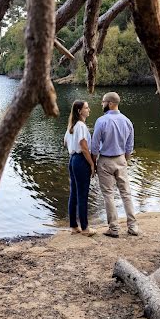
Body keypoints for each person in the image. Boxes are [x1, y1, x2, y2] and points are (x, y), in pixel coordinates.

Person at [91, 91, 139, 238]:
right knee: (126, 194)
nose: (102, 104)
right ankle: (133, 227)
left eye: (104, 101)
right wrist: (125, 160)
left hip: (105, 160)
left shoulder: (101, 121)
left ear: (111, 103)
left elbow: (94, 147)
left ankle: (114, 229)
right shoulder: (127, 121)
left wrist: (93, 163)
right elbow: (130, 146)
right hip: (121, 159)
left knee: (108, 195)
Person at [64, 100, 96, 236]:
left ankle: (73, 226)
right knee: (82, 194)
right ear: (79, 111)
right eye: (86, 108)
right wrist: (91, 163)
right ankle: (85, 228)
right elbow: (83, 146)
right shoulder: (81, 126)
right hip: (80, 160)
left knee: (74, 193)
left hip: (72, 160)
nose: (89, 110)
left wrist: (73, 150)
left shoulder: (72, 125)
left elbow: (65, 142)